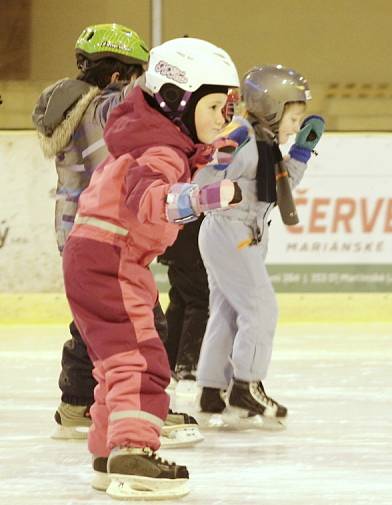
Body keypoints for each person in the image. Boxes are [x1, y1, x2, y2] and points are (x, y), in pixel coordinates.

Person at [61, 36, 242, 499]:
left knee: (115, 361)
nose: (225, 116)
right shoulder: (157, 152)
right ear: (179, 101)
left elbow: (179, 163)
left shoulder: (155, 139)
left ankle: (109, 452)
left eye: (229, 107)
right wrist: (200, 198)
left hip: (96, 255)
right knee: (140, 359)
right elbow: (149, 197)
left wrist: (216, 152)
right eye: (217, 105)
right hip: (112, 258)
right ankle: (132, 450)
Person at [32, 23, 201, 448]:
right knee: (140, 322)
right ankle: (141, 409)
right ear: (116, 76)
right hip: (104, 227)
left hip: (71, 225)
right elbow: (141, 103)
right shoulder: (104, 109)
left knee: (94, 317)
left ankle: (76, 401)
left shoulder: (64, 108)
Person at [193, 64, 324, 429]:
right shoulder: (241, 137)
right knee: (261, 309)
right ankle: (245, 384)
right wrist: (216, 192)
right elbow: (204, 175)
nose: (296, 126)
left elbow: (277, 188)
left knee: (229, 311)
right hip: (229, 231)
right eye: (293, 118)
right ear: (271, 107)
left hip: (240, 232)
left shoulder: (263, 143)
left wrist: (300, 152)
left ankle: (211, 387)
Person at [157, 216, 210, 383]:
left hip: (176, 240)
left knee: (180, 300)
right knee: (199, 300)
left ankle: (165, 361)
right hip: (190, 243)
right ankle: (187, 365)